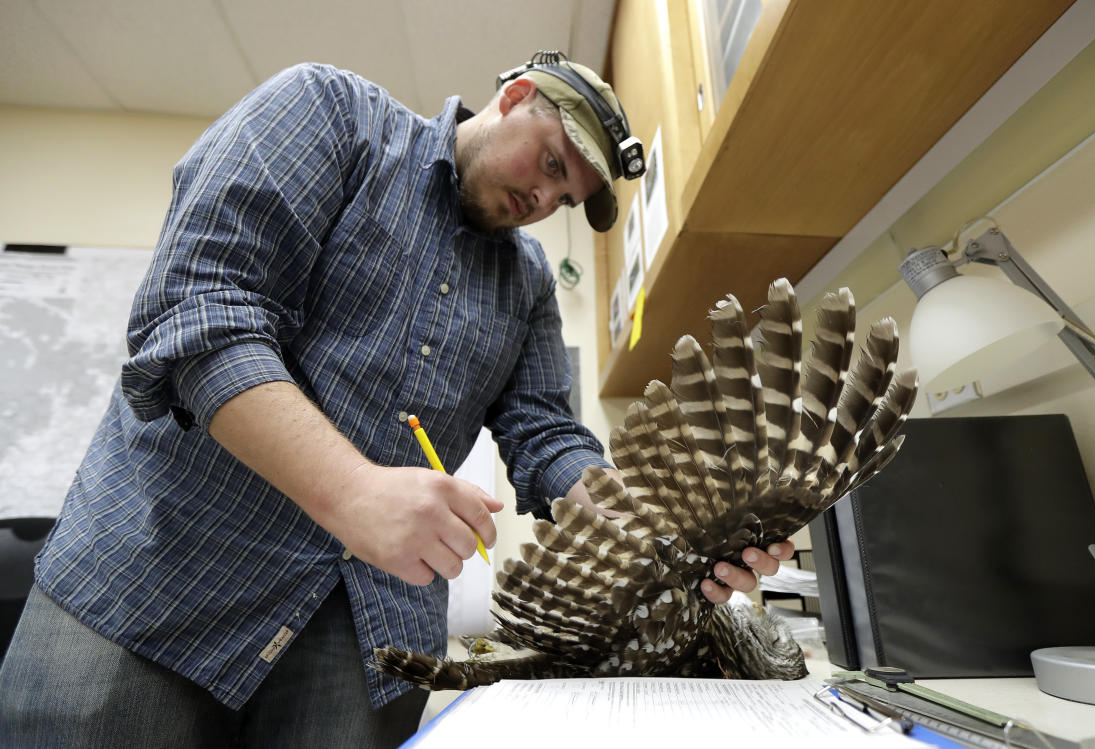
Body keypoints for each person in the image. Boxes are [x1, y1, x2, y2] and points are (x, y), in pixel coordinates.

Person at [0, 56, 793, 747]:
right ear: (514, 96)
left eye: (566, 195)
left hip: (361, 638)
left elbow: (545, 434)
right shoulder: (328, 115)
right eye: (551, 162)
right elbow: (200, 313)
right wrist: (350, 490)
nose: (545, 198)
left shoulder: (527, 286)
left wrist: (649, 523)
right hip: (158, 579)